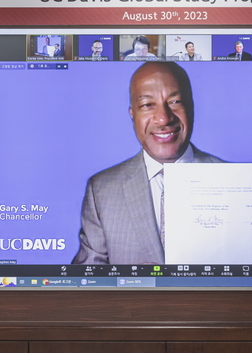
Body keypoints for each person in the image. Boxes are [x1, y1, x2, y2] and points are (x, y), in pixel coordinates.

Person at [72, 62, 223, 265]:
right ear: (132, 114)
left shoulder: (234, 181)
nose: (163, 118)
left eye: (175, 101)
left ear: (192, 107)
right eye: (147, 105)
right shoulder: (101, 191)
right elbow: (87, 281)